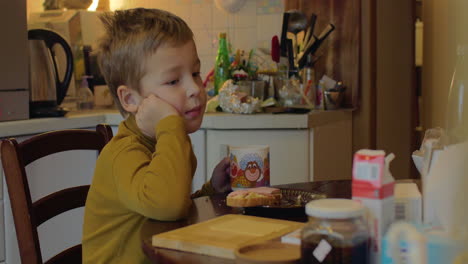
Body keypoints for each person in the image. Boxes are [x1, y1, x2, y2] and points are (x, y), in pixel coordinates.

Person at [82, 8, 231, 263]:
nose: (195, 89)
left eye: (195, 73)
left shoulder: (166, 141)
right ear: (131, 99)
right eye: (173, 81)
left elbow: (170, 211)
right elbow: (168, 206)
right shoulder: (125, 153)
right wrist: (171, 125)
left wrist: (211, 189)